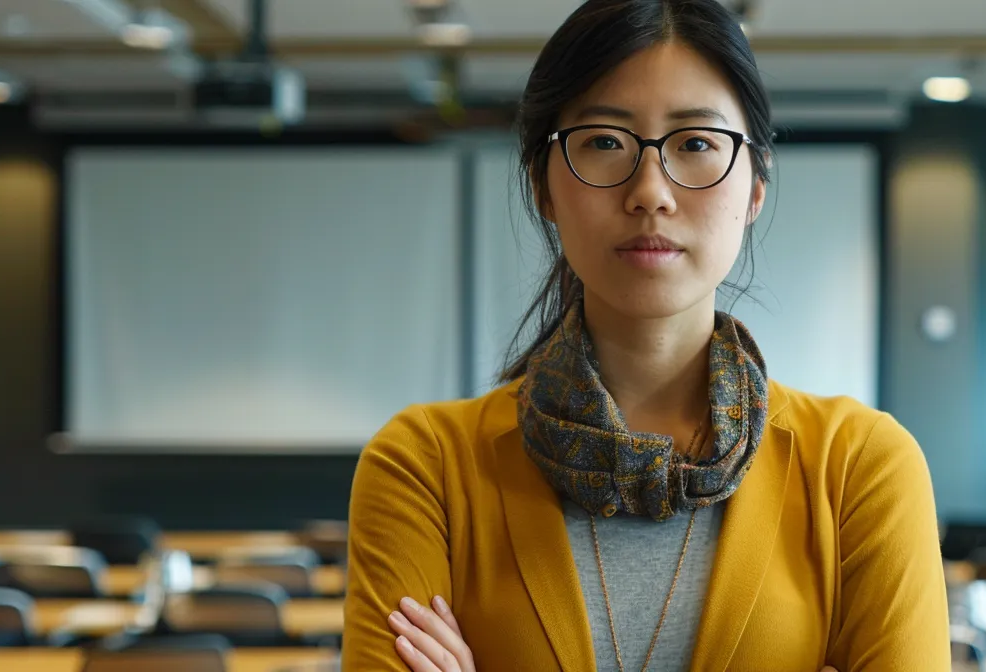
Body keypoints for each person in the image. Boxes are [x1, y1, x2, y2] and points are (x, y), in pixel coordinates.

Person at [342, 0, 948, 669]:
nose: (650, 190)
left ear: (755, 189)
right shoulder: (425, 466)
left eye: (696, 144)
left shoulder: (859, 468)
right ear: (544, 186)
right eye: (604, 142)